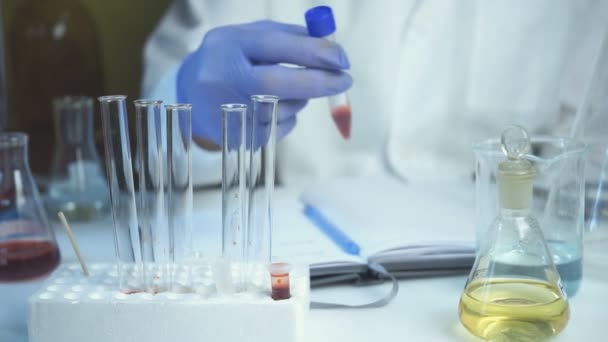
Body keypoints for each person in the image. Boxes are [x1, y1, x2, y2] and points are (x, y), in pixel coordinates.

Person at [142, 0, 607, 186]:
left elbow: (590, 169)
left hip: (494, 284)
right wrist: (193, 119)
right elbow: (151, 148)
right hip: (300, 274)